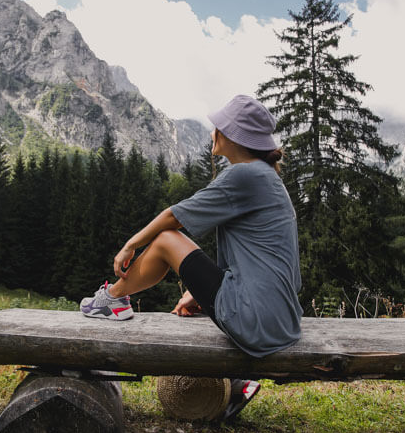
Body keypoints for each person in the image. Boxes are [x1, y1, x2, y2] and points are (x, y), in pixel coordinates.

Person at [80, 95, 302, 363]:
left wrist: (131, 245)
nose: (212, 132)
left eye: (218, 125)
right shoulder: (267, 177)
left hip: (255, 322)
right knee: (169, 239)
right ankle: (116, 299)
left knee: (165, 239)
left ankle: (112, 299)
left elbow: (173, 217)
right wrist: (202, 293)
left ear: (232, 135)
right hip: (282, 320)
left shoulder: (245, 174)